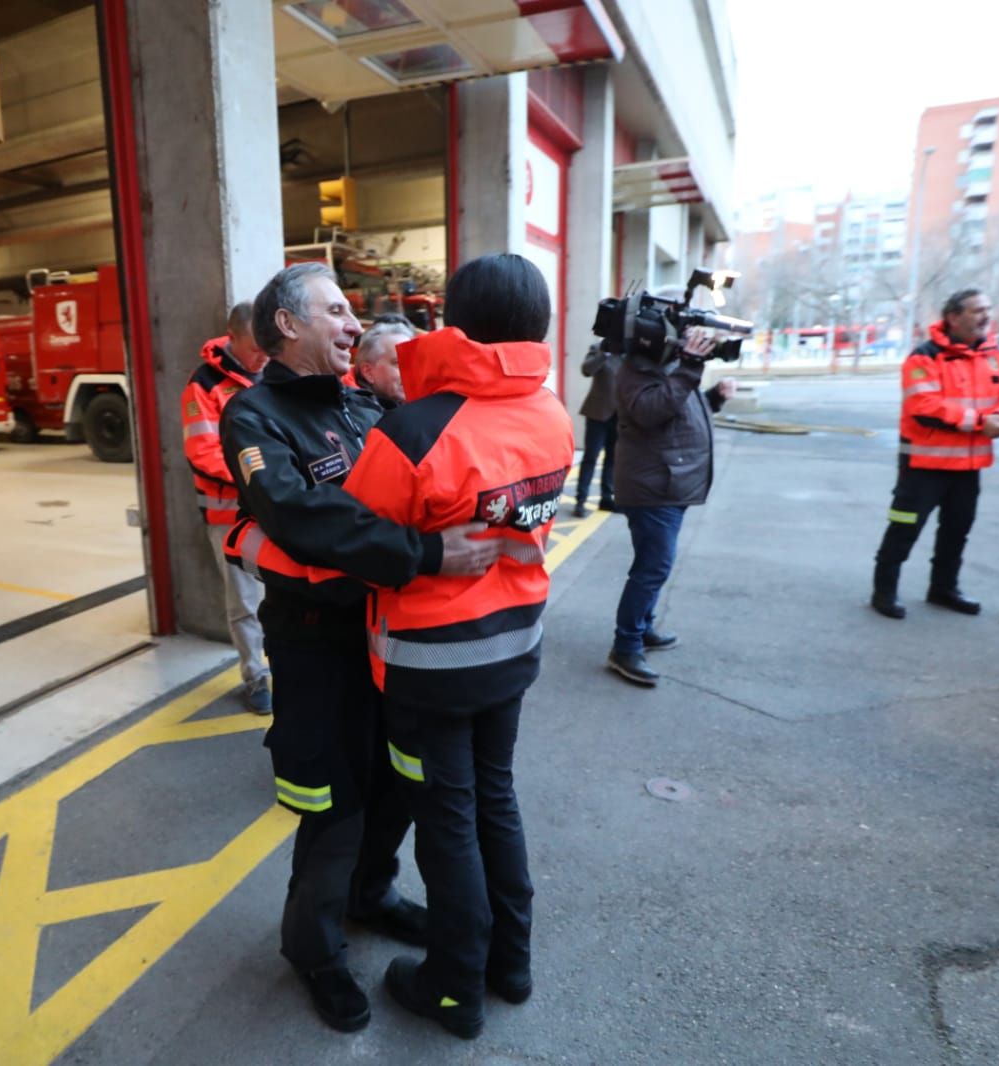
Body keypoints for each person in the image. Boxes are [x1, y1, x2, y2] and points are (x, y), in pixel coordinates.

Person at [218, 262, 500, 1034]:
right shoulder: (256, 417)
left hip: (388, 640)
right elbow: (297, 512)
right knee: (333, 804)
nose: (354, 325)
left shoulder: (360, 405)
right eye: (337, 311)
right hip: (317, 649)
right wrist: (426, 554)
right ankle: (313, 949)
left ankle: (370, 895)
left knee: (394, 788)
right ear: (288, 325)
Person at [331, 254, 573, 1039]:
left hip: (428, 663)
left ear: (456, 321)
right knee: (495, 799)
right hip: (514, 646)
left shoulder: (415, 428)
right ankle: (510, 962)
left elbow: (356, 536)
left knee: (446, 815)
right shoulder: (551, 413)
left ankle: (452, 987)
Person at [870, 289, 999, 619]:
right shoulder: (924, 357)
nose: (985, 316)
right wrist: (982, 421)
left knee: (956, 530)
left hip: (969, 465)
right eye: (976, 310)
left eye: (987, 309)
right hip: (925, 464)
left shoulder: (995, 356)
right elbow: (924, 408)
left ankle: (944, 588)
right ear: (953, 317)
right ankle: (884, 590)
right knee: (904, 527)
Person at [605, 317, 736, 687]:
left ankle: (642, 627)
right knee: (651, 568)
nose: (687, 340)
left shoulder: (667, 364)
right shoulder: (636, 368)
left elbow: (676, 411)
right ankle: (625, 646)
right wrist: (692, 366)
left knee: (656, 565)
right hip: (652, 488)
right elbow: (650, 411)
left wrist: (713, 399)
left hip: (668, 482)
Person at [180, 302, 272, 711]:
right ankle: (257, 677)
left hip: (278, 508)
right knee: (246, 603)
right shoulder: (203, 385)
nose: (263, 357)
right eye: (255, 349)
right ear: (231, 338)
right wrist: (263, 479)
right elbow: (202, 452)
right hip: (230, 514)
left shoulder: (275, 370)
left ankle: (288, 670)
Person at [573, 340, 621, 515]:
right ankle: (581, 500)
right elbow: (586, 370)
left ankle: (606, 498)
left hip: (620, 416)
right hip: (598, 413)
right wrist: (604, 353)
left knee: (612, 459)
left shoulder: (630, 349)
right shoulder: (599, 347)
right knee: (590, 457)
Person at [350, 317, 413, 408]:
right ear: (368, 372)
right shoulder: (355, 415)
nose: (412, 371)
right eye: (399, 363)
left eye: (414, 362)